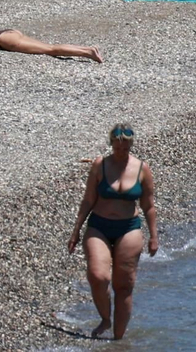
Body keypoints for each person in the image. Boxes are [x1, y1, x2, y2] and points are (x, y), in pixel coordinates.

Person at [68, 125, 158, 341]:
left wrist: (154, 236)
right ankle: (105, 318)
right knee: (98, 276)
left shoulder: (142, 168)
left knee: (124, 285)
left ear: (130, 146)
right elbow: (88, 199)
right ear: (111, 145)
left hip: (129, 228)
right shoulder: (100, 165)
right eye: (117, 147)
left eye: (125, 148)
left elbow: (149, 205)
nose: (121, 151)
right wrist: (76, 230)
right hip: (99, 225)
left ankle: (117, 342)